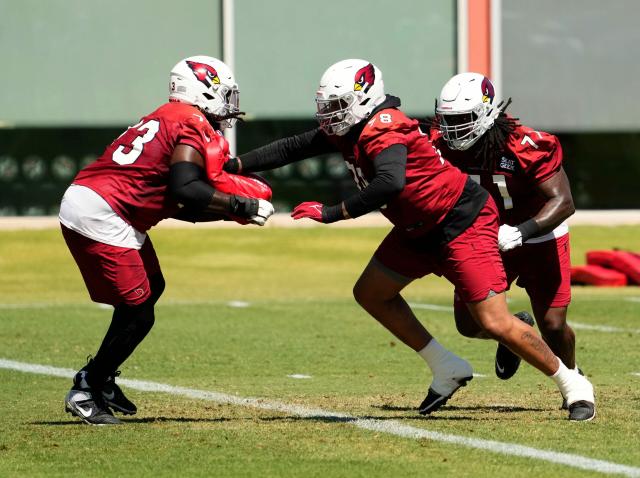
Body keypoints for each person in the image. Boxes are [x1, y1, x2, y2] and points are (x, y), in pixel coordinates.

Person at [222, 59, 595, 421]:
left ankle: (574, 384)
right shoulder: (353, 129)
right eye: (327, 106)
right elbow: (291, 148)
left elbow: (390, 182)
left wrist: (332, 212)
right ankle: (446, 367)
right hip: (419, 228)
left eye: (337, 105)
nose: (330, 114)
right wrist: (232, 165)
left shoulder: (385, 128)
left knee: (497, 322)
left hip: (460, 222)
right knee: (371, 292)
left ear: (364, 99)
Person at [59, 56, 275, 425]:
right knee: (139, 313)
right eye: (224, 94)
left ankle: (102, 378)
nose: (229, 103)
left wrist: (229, 212)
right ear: (201, 89)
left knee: (152, 287)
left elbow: (180, 203)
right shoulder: (190, 122)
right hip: (103, 211)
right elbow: (186, 189)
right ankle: (87, 388)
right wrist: (240, 202)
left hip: (111, 206)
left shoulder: (169, 118)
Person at [429, 72, 580, 407]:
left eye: (463, 120)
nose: (453, 129)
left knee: (554, 326)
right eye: (448, 120)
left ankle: (574, 380)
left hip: (539, 234)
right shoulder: (440, 144)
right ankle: (515, 334)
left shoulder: (525, 145)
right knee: (469, 324)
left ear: (485, 113)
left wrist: (522, 231)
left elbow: (564, 201)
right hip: (483, 237)